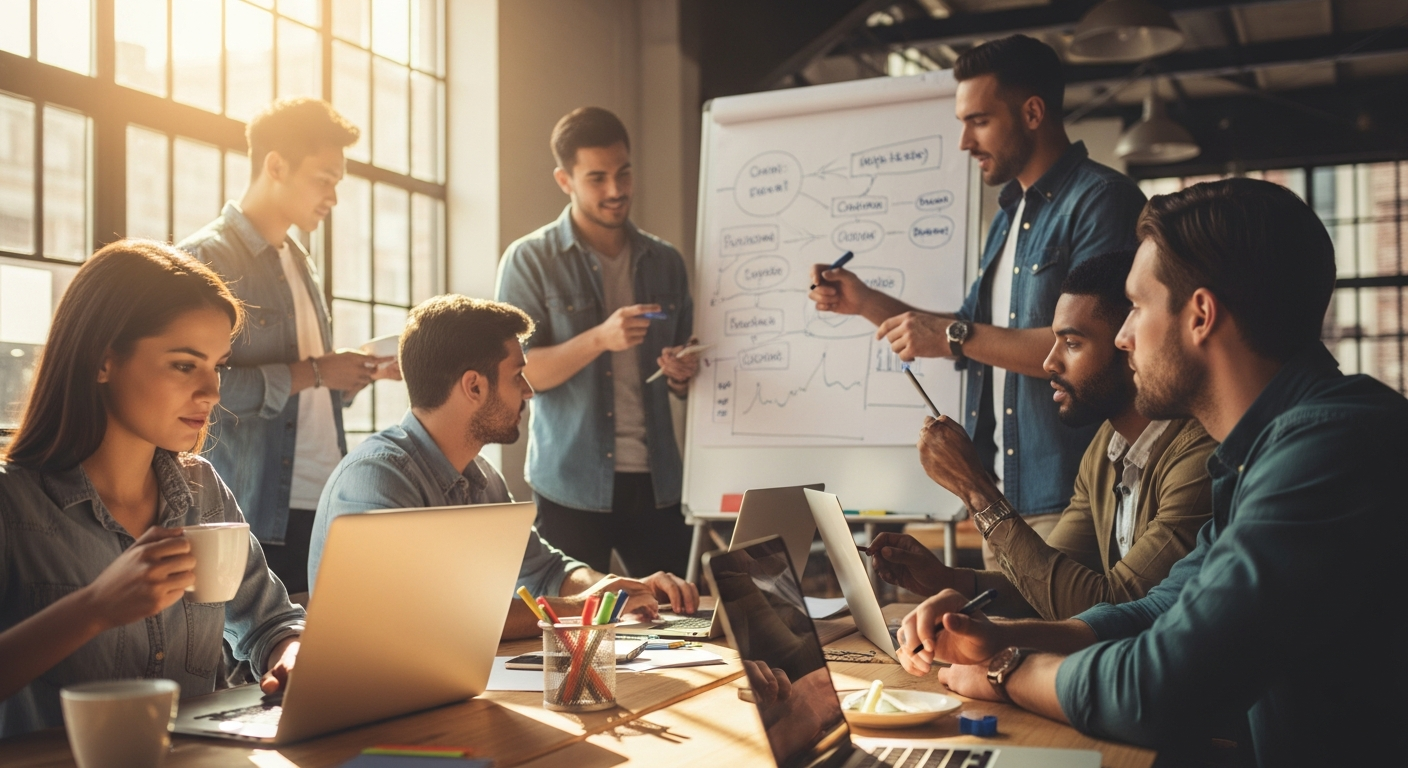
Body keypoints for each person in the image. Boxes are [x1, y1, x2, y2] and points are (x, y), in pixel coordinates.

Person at [894, 179, 1408, 766]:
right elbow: (1155, 610)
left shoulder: (1329, 450)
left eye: (1136, 307)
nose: (1122, 336)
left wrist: (1005, 672)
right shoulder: (1265, 449)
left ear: (1201, 316)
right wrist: (1004, 636)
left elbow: (1155, 688)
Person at [808, 36, 1147, 567]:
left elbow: (1093, 346)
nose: (964, 141)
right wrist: (866, 300)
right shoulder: (1007, 218)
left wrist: (952, 336)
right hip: (1003, 496)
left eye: (979, 120)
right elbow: (965, 330)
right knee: (1006, 645)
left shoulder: (1103, 201)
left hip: (1070, 494)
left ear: (1033, 112)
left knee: (1059, 642)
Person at [0, 241, 305, 738]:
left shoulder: (202, 490)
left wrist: (293, 656)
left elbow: (272, 623)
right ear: (103, 361)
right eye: (185, 365)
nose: (211, 391)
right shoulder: (12, 506)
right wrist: (94, 608)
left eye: (218, 366)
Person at [308, 295, 698, 639]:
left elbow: (546, 571)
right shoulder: (376, 480)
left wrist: (614, 589)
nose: (528, 390)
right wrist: (588, 607)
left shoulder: (484, 480)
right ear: (474, 387)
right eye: (517, 376)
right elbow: (424, 623)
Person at [866, 250, 1215, 619]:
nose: (1050, 362)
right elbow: (1050, 591)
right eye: (1055, 341)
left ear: (1130, 343)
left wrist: (977, 490)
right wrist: (945, 578)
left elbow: (1112, 605)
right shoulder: (1105, 448)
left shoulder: (1198, 457)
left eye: (1073, 343)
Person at [178, 98, 397, 595]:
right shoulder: (203, 258)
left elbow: (310, 394)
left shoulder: (300, 260)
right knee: (251, 661)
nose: (333, 198)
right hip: (252, 507)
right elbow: (202, 390)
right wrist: (317, 371)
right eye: (324, 179)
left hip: (323, 498)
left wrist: (357, 374)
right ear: (275, 165)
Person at [496, 107, 699, 577]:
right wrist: (599, 338)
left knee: (680, 622)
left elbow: (685, 383)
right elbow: (520, 374)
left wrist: (682, 376)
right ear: (564, 180)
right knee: (570, 634)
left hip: (659, 483)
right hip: (571, 483)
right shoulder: (531, 260)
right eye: (597, 178)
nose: (616, 190)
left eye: (624, 173)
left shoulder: (666, 261)